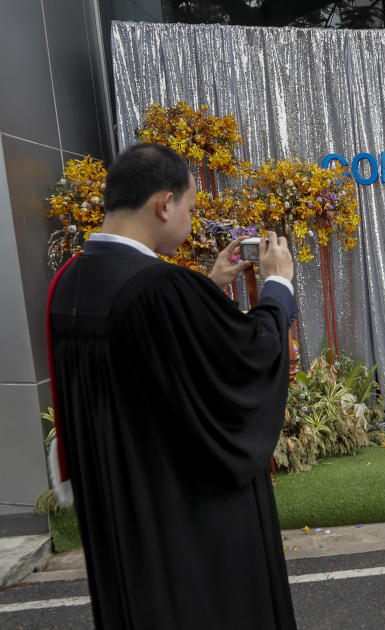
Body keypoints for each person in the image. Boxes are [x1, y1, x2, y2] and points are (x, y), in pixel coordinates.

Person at [47, 143, 299, 629]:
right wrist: (277, 287)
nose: (189, 219)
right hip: (184, 520)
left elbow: (155, 355)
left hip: (121, 513)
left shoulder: (70, 281)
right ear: (164, 204)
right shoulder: (159, 289)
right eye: (189, 207)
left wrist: (207, 283)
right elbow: (249, 357)